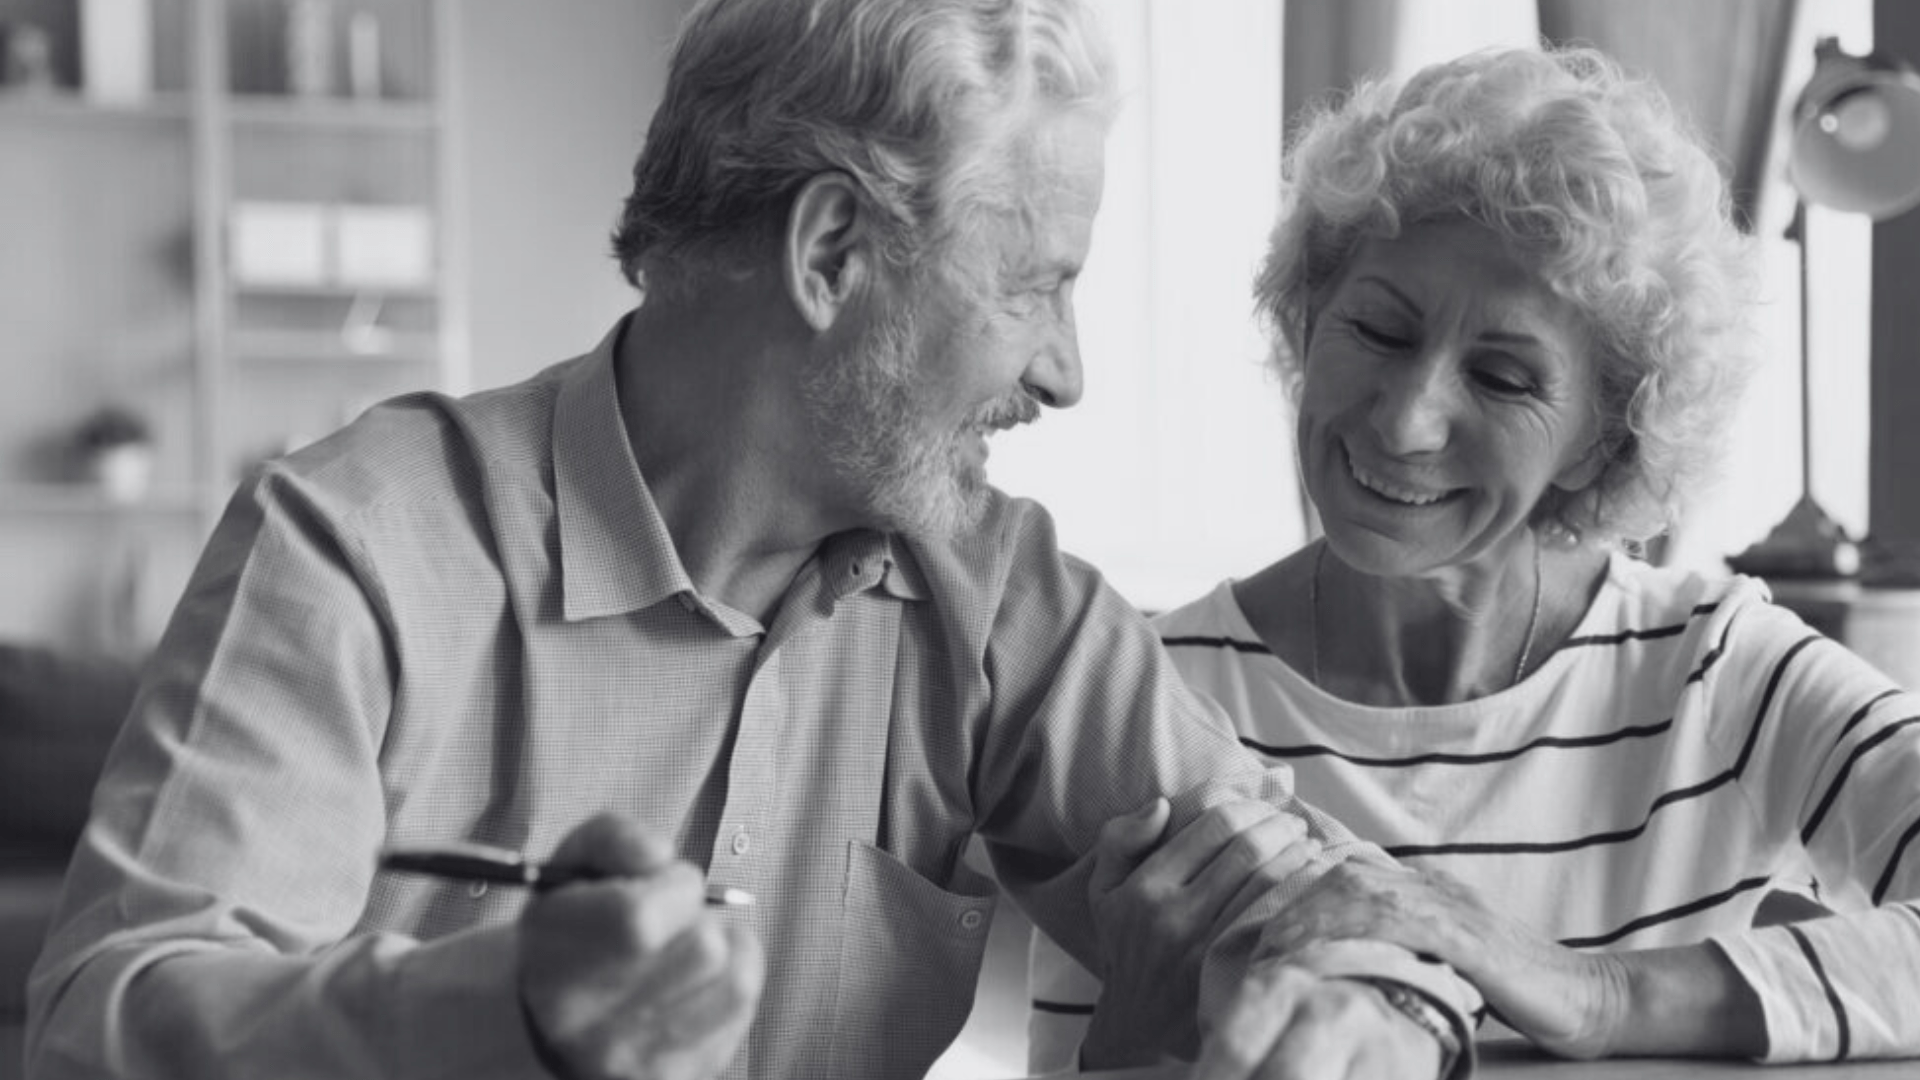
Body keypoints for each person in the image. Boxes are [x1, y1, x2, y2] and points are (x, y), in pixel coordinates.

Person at [25, 2, 1482, 1079]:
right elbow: (106, 1020)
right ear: (833, 253)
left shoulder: (993, 593)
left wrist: (1370, 1017)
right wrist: (495, 1010)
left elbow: (1337, 901)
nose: (1066, 373)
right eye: (1035, 286)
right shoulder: (356, 546)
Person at [1030, 43, 1920, 1069]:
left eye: (1502, 379)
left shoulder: (1720, 670)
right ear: (1307, 318)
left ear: (1605, 436)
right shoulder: (1146, 691)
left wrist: (1593, 992)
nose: (1407, 423)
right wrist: (1141, 1022)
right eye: (1376, 329)